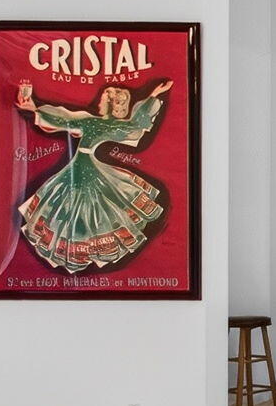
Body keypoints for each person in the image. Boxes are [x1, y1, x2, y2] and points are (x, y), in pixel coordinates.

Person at [14, 78, 172, 272]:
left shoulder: (104, 124)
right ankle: (76, 252)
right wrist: (34, 109)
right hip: (78, 168)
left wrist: (153, 96)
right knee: (73, 210)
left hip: (89, 170)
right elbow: (65, 118)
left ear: (111, 104)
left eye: (103, 99)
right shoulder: (98, 122)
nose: (99, 101)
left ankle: (83, 251)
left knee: (89, 211)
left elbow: (136, 126)